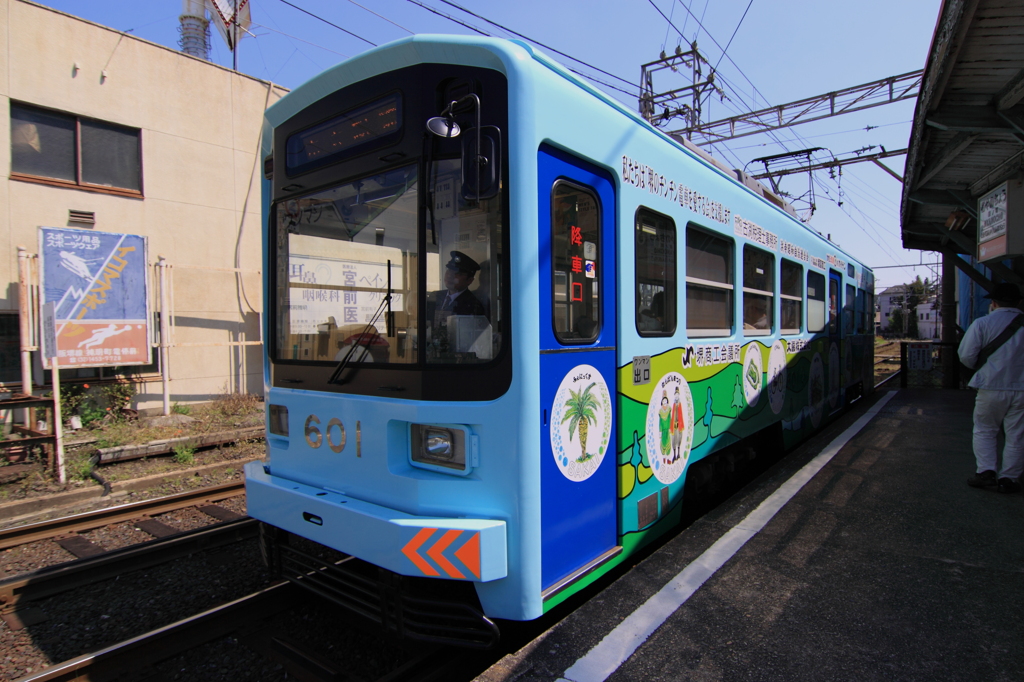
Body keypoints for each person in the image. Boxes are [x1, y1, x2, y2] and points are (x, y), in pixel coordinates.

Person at [959, 282, 1024, 494]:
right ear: (1019, 302)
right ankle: (1009, 479)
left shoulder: (982, 324)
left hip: (990, 387)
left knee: (985, 430)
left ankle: (986, 473)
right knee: (1017, 434)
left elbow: (967, 357)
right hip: (1022, 389)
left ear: (994, 303)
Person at [431, 251, 486, 319]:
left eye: (458, 274)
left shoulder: (473, 304)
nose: (450, 276)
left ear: (469, 280)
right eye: (449, 270)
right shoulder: (435, 296)